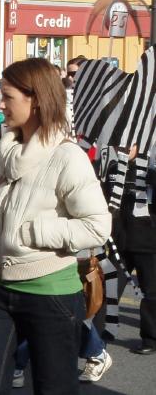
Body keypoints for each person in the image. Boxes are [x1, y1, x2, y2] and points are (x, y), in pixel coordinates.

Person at [0, 58, 111, 395]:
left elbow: (98, 226)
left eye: (8, 96)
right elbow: (4, 201)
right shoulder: (9, 148)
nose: (0, 103)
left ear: (37, 99)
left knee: (53, 388)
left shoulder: (67, 156)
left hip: (50, 294)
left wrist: (32, 232)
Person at [106, 144, 156, 355]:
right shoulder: (113, 168)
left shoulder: (150, 170)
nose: (122, 148)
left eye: (128, 145)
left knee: (151, 294)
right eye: (119, 145)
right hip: (120, 243)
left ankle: (150, 339)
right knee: (108, 291)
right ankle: (99, 338)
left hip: (148, 243)